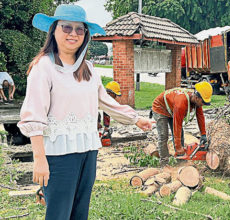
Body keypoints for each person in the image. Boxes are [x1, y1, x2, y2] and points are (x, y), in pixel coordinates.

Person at [17, 5, 154, 220]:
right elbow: (34, 116)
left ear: (86, 34)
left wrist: (135, 119)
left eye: (79, 29)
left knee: (80, 213)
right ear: (54, 30)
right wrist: (39, 159)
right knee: (58, 214)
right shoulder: (43, 67)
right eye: (66, 28)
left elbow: (105, 101)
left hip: (88, 151)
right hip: (58, 155)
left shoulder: (88, 69)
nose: (73, 34)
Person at [151, 82, 212, 166]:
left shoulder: (196, 102)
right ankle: (164, 163)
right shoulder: (181, 103)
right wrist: (178, 146)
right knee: (163, 135)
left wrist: (203, 134)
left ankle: (181, 161)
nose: (203, 104)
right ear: (197, 98)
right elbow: (177, 125)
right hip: (160, 108)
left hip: (172, 108)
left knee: (181, 135)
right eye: (203, 102)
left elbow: (200, 116)